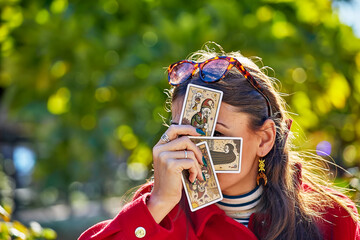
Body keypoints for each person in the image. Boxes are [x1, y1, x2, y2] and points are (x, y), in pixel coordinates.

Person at [78, 44, 360, 240]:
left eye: (218, 134)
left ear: (264, 139)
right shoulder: (158, 209)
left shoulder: (334, 218)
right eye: (182, 133)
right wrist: (158, 205)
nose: (192, 150)